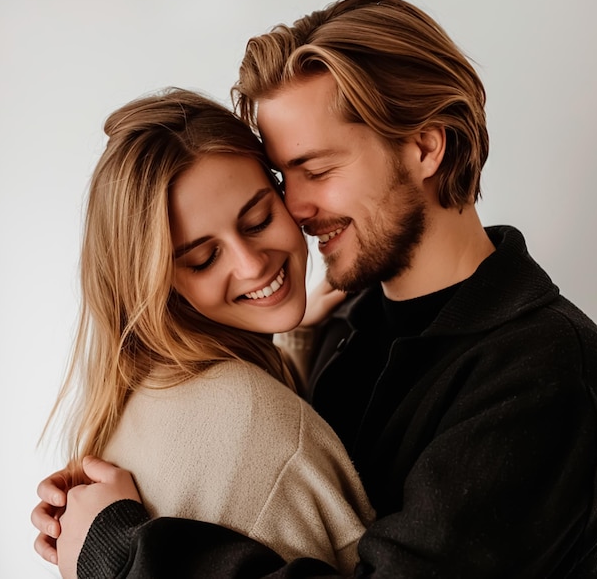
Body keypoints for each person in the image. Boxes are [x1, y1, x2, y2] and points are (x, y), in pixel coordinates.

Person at [34, 0, 597, 577]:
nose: (296, 206)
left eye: (320, 170)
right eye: (284, 175)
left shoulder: (544, 370)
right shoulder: (346, 325)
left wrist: (125, 553)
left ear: (426, 147)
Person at [33, 87, 374, 578]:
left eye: (258, 220)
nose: (251, 265)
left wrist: (295, 336)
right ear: (156, 284)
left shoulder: (147, 396)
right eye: (203, 258)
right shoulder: (261, 423)